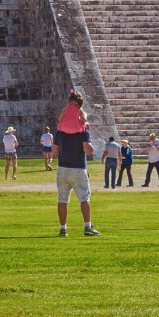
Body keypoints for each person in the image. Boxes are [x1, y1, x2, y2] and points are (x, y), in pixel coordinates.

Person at [49, 91, 99, 236]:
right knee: (84, 198)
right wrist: (87, 137)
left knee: (62, 199)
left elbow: (55, 152)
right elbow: (88, 151)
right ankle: (87, 226)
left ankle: (63, 228)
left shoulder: (60, 133)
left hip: (62, 168)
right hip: (78, 168)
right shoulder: (82, 132)